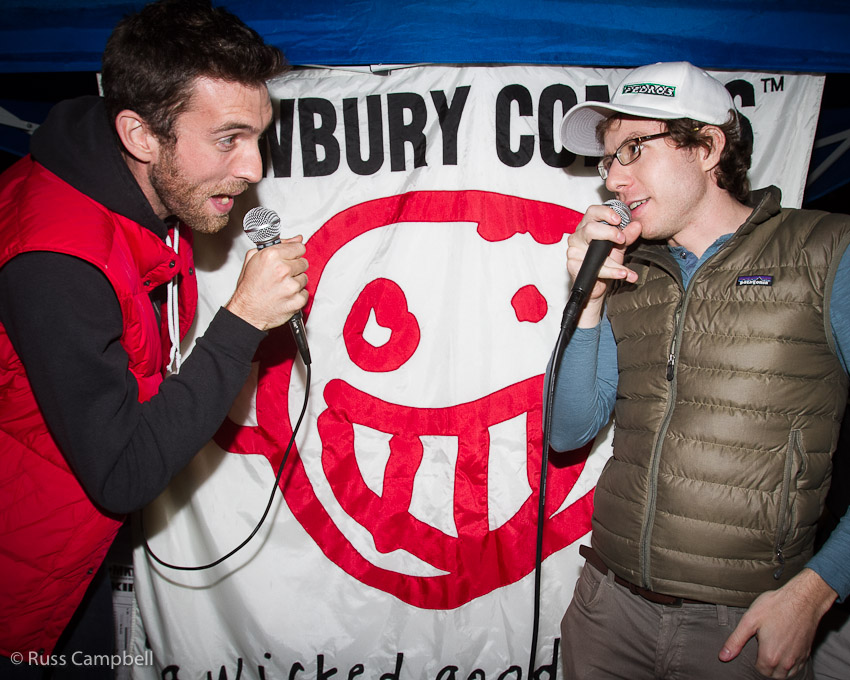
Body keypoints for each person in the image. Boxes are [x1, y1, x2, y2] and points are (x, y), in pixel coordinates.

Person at [0, 0, 307, 676]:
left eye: (259, 136)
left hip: (68, 561)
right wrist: (242, 322)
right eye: (228, 138)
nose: (253, 167)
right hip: (16, 589)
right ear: (140, 134)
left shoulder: (142, 197)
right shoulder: (56, 263)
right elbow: (121, 473)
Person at [549, 60, 850, 679]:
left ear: (708, 146)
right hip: (608, 607)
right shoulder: (632, 272)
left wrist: (819, 586)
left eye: (634, 149)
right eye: (608, 161)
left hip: (741, 624)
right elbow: (567, 431)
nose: (615, 179)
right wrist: (591, 300)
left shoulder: (826, 250)